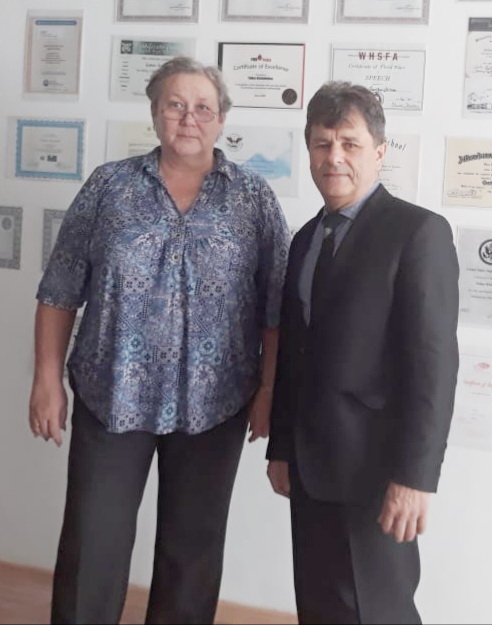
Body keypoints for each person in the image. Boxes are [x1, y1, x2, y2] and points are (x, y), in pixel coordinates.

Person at [29, 56, 290, 625]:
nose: (188, 118)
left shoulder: (253, 199)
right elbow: (59, 290)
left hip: (216, 403)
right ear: (154, 113)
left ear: (222, 119)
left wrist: (270, 390)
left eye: (203, 107)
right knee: (92, 543)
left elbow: (277, 309)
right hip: (111, 395)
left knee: (192, 552)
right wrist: (46, 379)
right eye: (175, 105)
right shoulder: (109, 186)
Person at [266, 81, 459, 625]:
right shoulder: (305, 239)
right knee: (320, 606)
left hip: (377, 472)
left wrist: (415, 477)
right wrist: (281, 447)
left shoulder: (417, 232)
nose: (334, 157)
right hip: (310, 468)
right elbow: (295, 354)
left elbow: (433, 366)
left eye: (349, 143)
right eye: (322, 143)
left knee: (377, 610)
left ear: (378, 152)